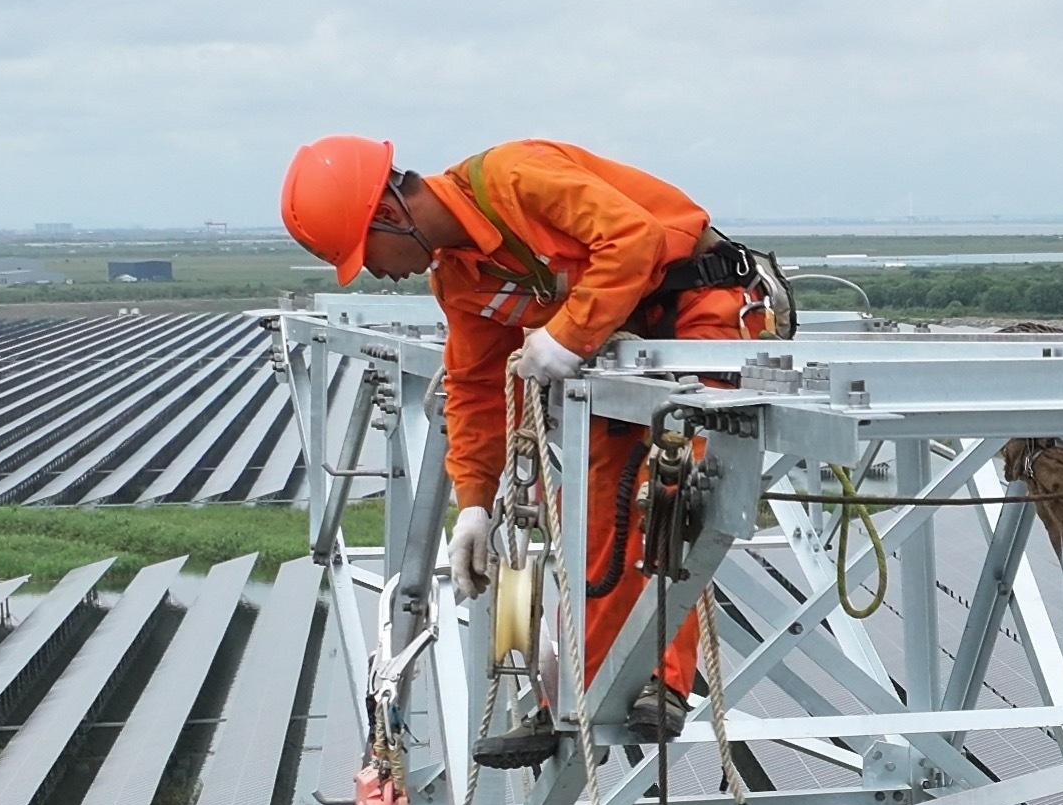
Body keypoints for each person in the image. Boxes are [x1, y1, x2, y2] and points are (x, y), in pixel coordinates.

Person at [277, 134, 759, 741]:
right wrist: (474, 503)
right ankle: (584, 689)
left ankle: (660, 680)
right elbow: (477, 387)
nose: (374, 271)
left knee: (663, 491)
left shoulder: (518, 179)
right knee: (595, 514)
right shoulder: (457, 279)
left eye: (364, 253)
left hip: (704, 312)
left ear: (391, 214)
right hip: (627, 351)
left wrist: (566, 337)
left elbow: (632, 238)